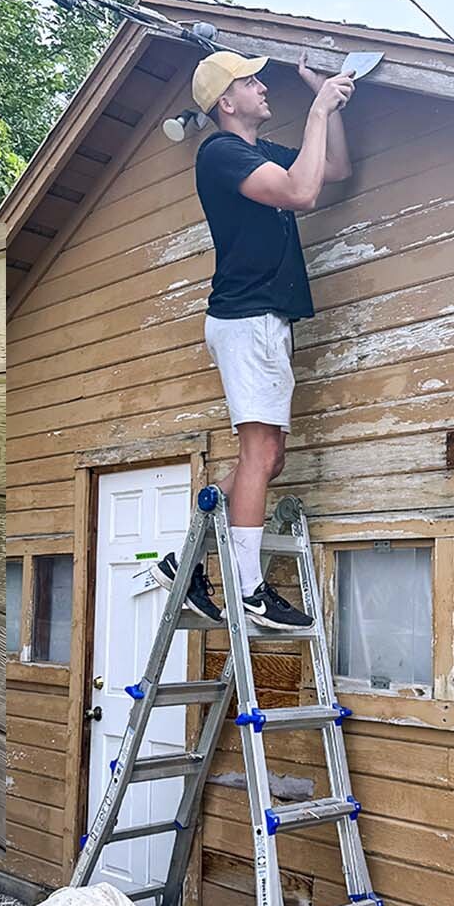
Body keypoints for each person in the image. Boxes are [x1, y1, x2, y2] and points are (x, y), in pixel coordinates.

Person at [177, 49, 356, 630]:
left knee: (269, 459)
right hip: (246, 317)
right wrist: (316, 110)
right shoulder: (221, 153)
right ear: (227, 102)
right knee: (258, 454)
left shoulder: (261, 154)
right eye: (250, 81)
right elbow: (301, 195)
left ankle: (185, 560)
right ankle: (251, 591)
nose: (262, 87)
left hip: (266, 319)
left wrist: (325, 99)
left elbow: (334, 170)